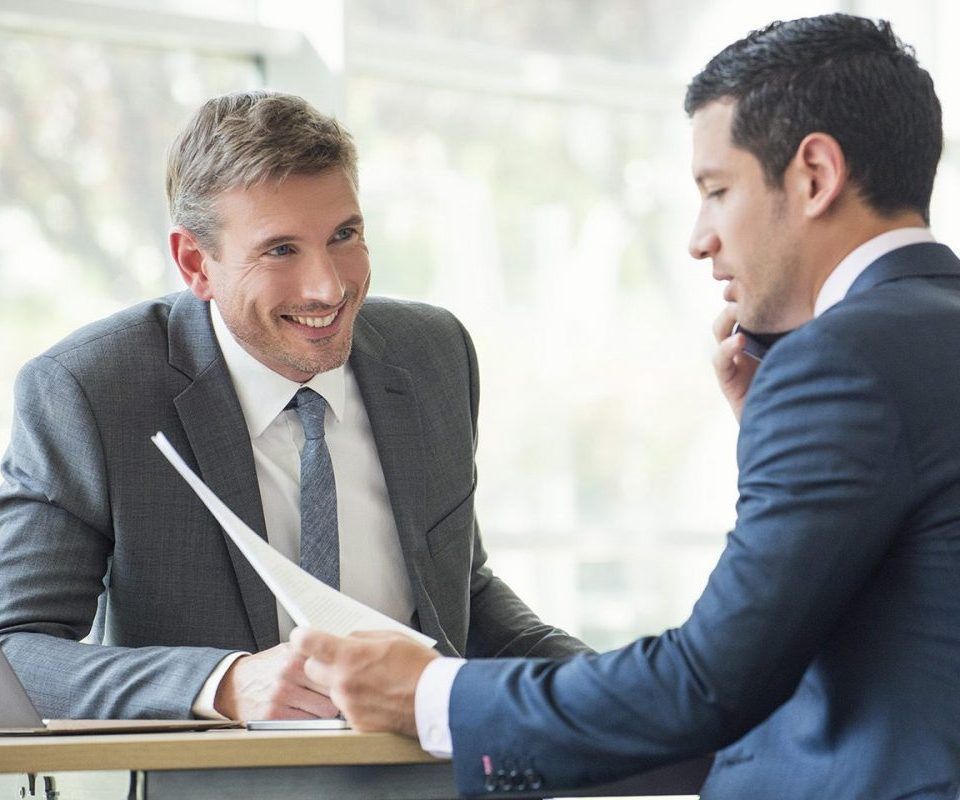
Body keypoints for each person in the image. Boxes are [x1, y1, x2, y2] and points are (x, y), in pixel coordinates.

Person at [289, 14, 960, 799]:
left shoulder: (839, 365)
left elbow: (706, 683)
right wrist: (772, 432)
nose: (699, 238)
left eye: (717, 191)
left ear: (814, 174)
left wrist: (429, 695)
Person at [0, 90, 589, 722]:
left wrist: (621, 689)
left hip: (426, 778)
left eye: (345, 235)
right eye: (281, 249)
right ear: (195, 262)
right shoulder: (91, 391)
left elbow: (463, 601)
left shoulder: (434, 355)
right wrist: (224, 685)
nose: (329, 287)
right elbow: (15, 652)